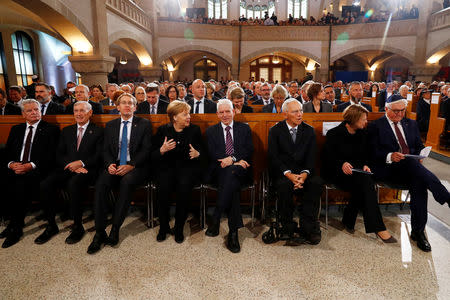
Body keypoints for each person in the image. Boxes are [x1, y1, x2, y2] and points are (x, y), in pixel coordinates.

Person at [368, 94, 450, 252]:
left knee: (418, 180)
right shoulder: (375, 126)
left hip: (410, 168)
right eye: (396, 111)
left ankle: (418, 231)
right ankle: (445, 198)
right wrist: (390, 156)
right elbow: (371, 152)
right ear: (386, 109)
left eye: (403, 111)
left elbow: (418, 146)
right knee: (417, 173)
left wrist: (420, 154)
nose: (399, 114)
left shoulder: (411, 124)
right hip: (388, 169)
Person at [87, 93, 152, 254]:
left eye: (130, 103)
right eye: (123, 103)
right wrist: (109, 164)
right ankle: (99, 232)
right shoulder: (111, 125)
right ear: (118, 107)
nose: (127, 105)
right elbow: (106, 150)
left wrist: (131, 165)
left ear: (135, 107)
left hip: (136, 167)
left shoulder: (144, 124)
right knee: (101, 184)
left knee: (126, 182)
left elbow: (146, 149)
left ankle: (115, 229)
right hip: (115, 165)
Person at [322, 105, 396, 242]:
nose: (365, 122)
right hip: (338, 174)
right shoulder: (334, 134)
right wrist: (341, 164)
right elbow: (327, 159)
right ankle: (378, 227)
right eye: (363, 119)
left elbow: (368, 155)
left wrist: (366, 165)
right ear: (354, 119)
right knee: (366, 183)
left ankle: (349, 220)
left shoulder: (363, 133)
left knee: (365, 181)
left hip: (358, 173)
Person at [35, 101, 103, 245]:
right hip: (67, 167)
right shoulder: (67, 130)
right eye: (76, 111)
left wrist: (81, 163)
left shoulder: (98, 131)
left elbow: (98, 155)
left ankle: (78, 226)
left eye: (82, 111)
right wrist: (71, 165)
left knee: (74, 184)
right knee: (46, 184)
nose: (79, 114)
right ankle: (51, 225)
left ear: (90, 113)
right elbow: (59, 153)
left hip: (88, 169)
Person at [1, 99, 60, 248]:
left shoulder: (50, 129)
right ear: (23, 114)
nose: (34, 112)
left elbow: (51, 156)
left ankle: (17, 228)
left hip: (39, 168)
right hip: (18, 166)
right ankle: (13, 221)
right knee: (6, 180)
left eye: (36, 109)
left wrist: (30, 165)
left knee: (21, 183)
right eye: (30, 110)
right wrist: (11, 164)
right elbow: (8, 153)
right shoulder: (16, 129)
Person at [267, 98, 323, 244]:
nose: (299, 114)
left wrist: (303, 176)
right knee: (284, 186)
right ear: (285, 114)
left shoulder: (309, 130)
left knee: (316, 183)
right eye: (295, 112)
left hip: (304, 172)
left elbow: (312, 157)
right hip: (284, 173)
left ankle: (308, 227)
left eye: (300, 111)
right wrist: (290, 175)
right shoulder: (275, 131)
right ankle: (287, 227)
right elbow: (274, 158)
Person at [204, 99, 254, 253]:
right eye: (221, 112)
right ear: (217, 114)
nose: (225, 115)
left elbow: (248, 150)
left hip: (241, 171)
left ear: (234, 111)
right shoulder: (211, 131)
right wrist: (235, 161)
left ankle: (217, 216)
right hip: (219, 171)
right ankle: (233, 233)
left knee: (231, 175)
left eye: (227, 111)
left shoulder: (244, 129)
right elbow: (213, 154)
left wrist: (232, 159)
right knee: (232, 183)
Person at [152, 100, 204, 243]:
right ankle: (163, 227)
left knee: (184, 190)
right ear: (174, 117)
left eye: (189, 114)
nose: (189, 117)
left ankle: (179, 228)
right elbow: (152, 155)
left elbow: (204, 152)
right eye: (185, 114)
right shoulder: (163, 130)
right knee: (162, 189)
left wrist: (197, 154)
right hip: (166, 168)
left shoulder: (195, 130)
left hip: (187, 168)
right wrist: (162, 150)